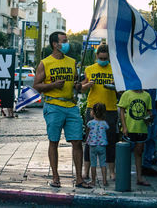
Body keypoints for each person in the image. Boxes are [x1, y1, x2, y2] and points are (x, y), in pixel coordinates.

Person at [33, 31, 90, 189]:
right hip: (53, 106)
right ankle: (56, 177)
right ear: (55, 44)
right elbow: (36, 86)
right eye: (63, 41)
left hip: (71, 106)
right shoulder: (45, 63)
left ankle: (79, 179)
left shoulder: (72, 62)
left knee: (77, 141)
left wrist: (78, 86)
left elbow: (75, 84)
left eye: (67, 40)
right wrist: (52, 85)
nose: (66, 43)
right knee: (54, 141)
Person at [81, 44, 118, 181]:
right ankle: (86, 171)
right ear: (96, 56)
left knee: (110, 141)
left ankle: (111, 171)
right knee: (90, 140)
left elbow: (121, 91)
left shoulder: (115, 69)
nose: (103, 60)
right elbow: (82, 89)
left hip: (110, 109)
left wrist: (116, 85)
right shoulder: (89, 69)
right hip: (93, 109)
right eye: (100, 58)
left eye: (105, 58)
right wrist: (87, 85)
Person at [118, 89, 153, 186]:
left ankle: (139, 177)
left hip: (141, 129)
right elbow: (122, 110)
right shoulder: (127, 93)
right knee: (125, 154)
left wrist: (150, 119)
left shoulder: (147, 95)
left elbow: (149, 111)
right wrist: (124, 127)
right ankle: (123, 176)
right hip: (129, 128)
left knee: (139, 153)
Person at [86, 103, 109, 187]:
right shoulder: (105, 123)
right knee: (103, 163)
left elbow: (87, 132)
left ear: (93, 113)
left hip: (92, 145)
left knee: (93, 164)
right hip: (102, 145)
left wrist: (86, 140)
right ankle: (104, 181)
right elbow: (107, 131)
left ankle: (93, 181)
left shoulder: (90, 123)